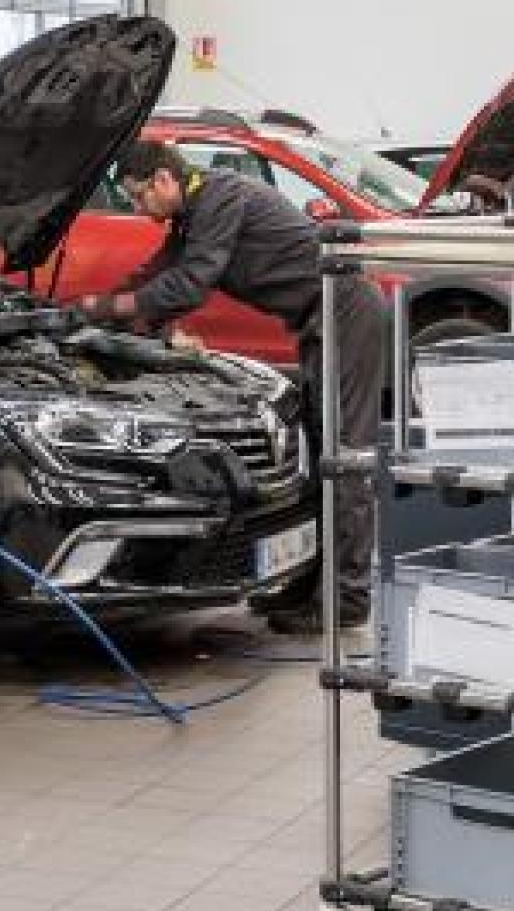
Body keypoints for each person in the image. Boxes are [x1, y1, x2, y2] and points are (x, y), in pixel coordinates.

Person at [81, 142, 384, 634]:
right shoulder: (191, 216)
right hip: (319, 319)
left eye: (139, 196)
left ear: (164, 179)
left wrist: (110, 309)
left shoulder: (221, 197)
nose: (139, 208)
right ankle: (308, 584)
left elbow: (191, 284)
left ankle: (348, 599)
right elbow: (156, 274)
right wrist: (84, 312)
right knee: (315, 455)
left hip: (347, 313)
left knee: (343, 458)